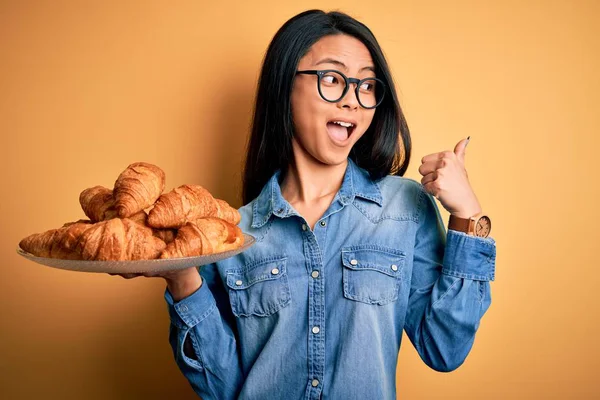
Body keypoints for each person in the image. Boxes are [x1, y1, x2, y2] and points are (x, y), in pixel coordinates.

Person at [127, 9, 496, 399]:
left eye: (368, 86)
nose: (354, 100)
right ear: (284, 87)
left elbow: (445, 349)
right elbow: (224, 390)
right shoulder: (231, 234)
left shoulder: (405, 207)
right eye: (333, 79)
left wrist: (467, 216)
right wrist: (182, 279)